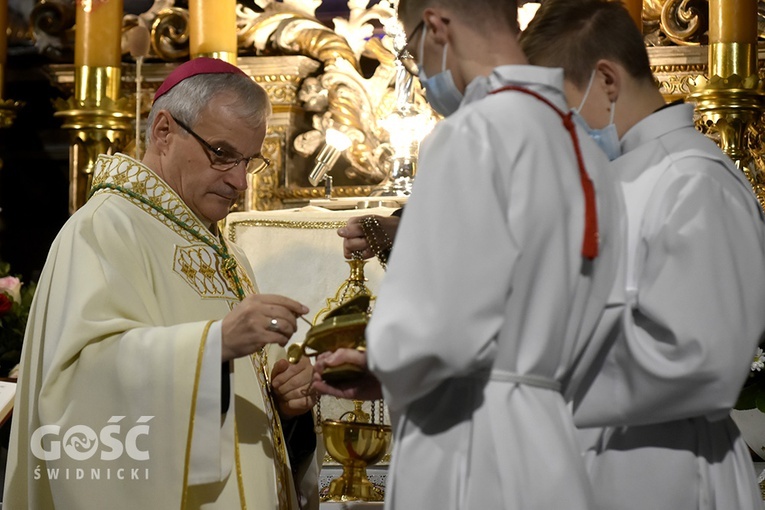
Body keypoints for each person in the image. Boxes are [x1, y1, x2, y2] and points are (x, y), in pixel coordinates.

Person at [314, 0, 627, 507]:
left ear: (437, 26)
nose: (419, 66)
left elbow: (438, 328)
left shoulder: (472, 133)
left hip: (472, 441)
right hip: (555, 437)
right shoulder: (587, 148)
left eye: (413, 48)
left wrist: (381, 363)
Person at [3, 58, 320, 510]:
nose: (239, 180)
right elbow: (79, 385)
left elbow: (250, 410)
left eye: (249, 160)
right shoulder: (104, 228)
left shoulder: (227, 251)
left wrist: (286, 402)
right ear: (164, 131)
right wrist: (214, 345)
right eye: (222, 154)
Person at [519, 1, 765, 509]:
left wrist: (532, 367)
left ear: (606, 80)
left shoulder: (693, 181)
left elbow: (701, 361)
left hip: (668, 473)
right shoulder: (620, 177)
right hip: (597, 463)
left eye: (557, 107)